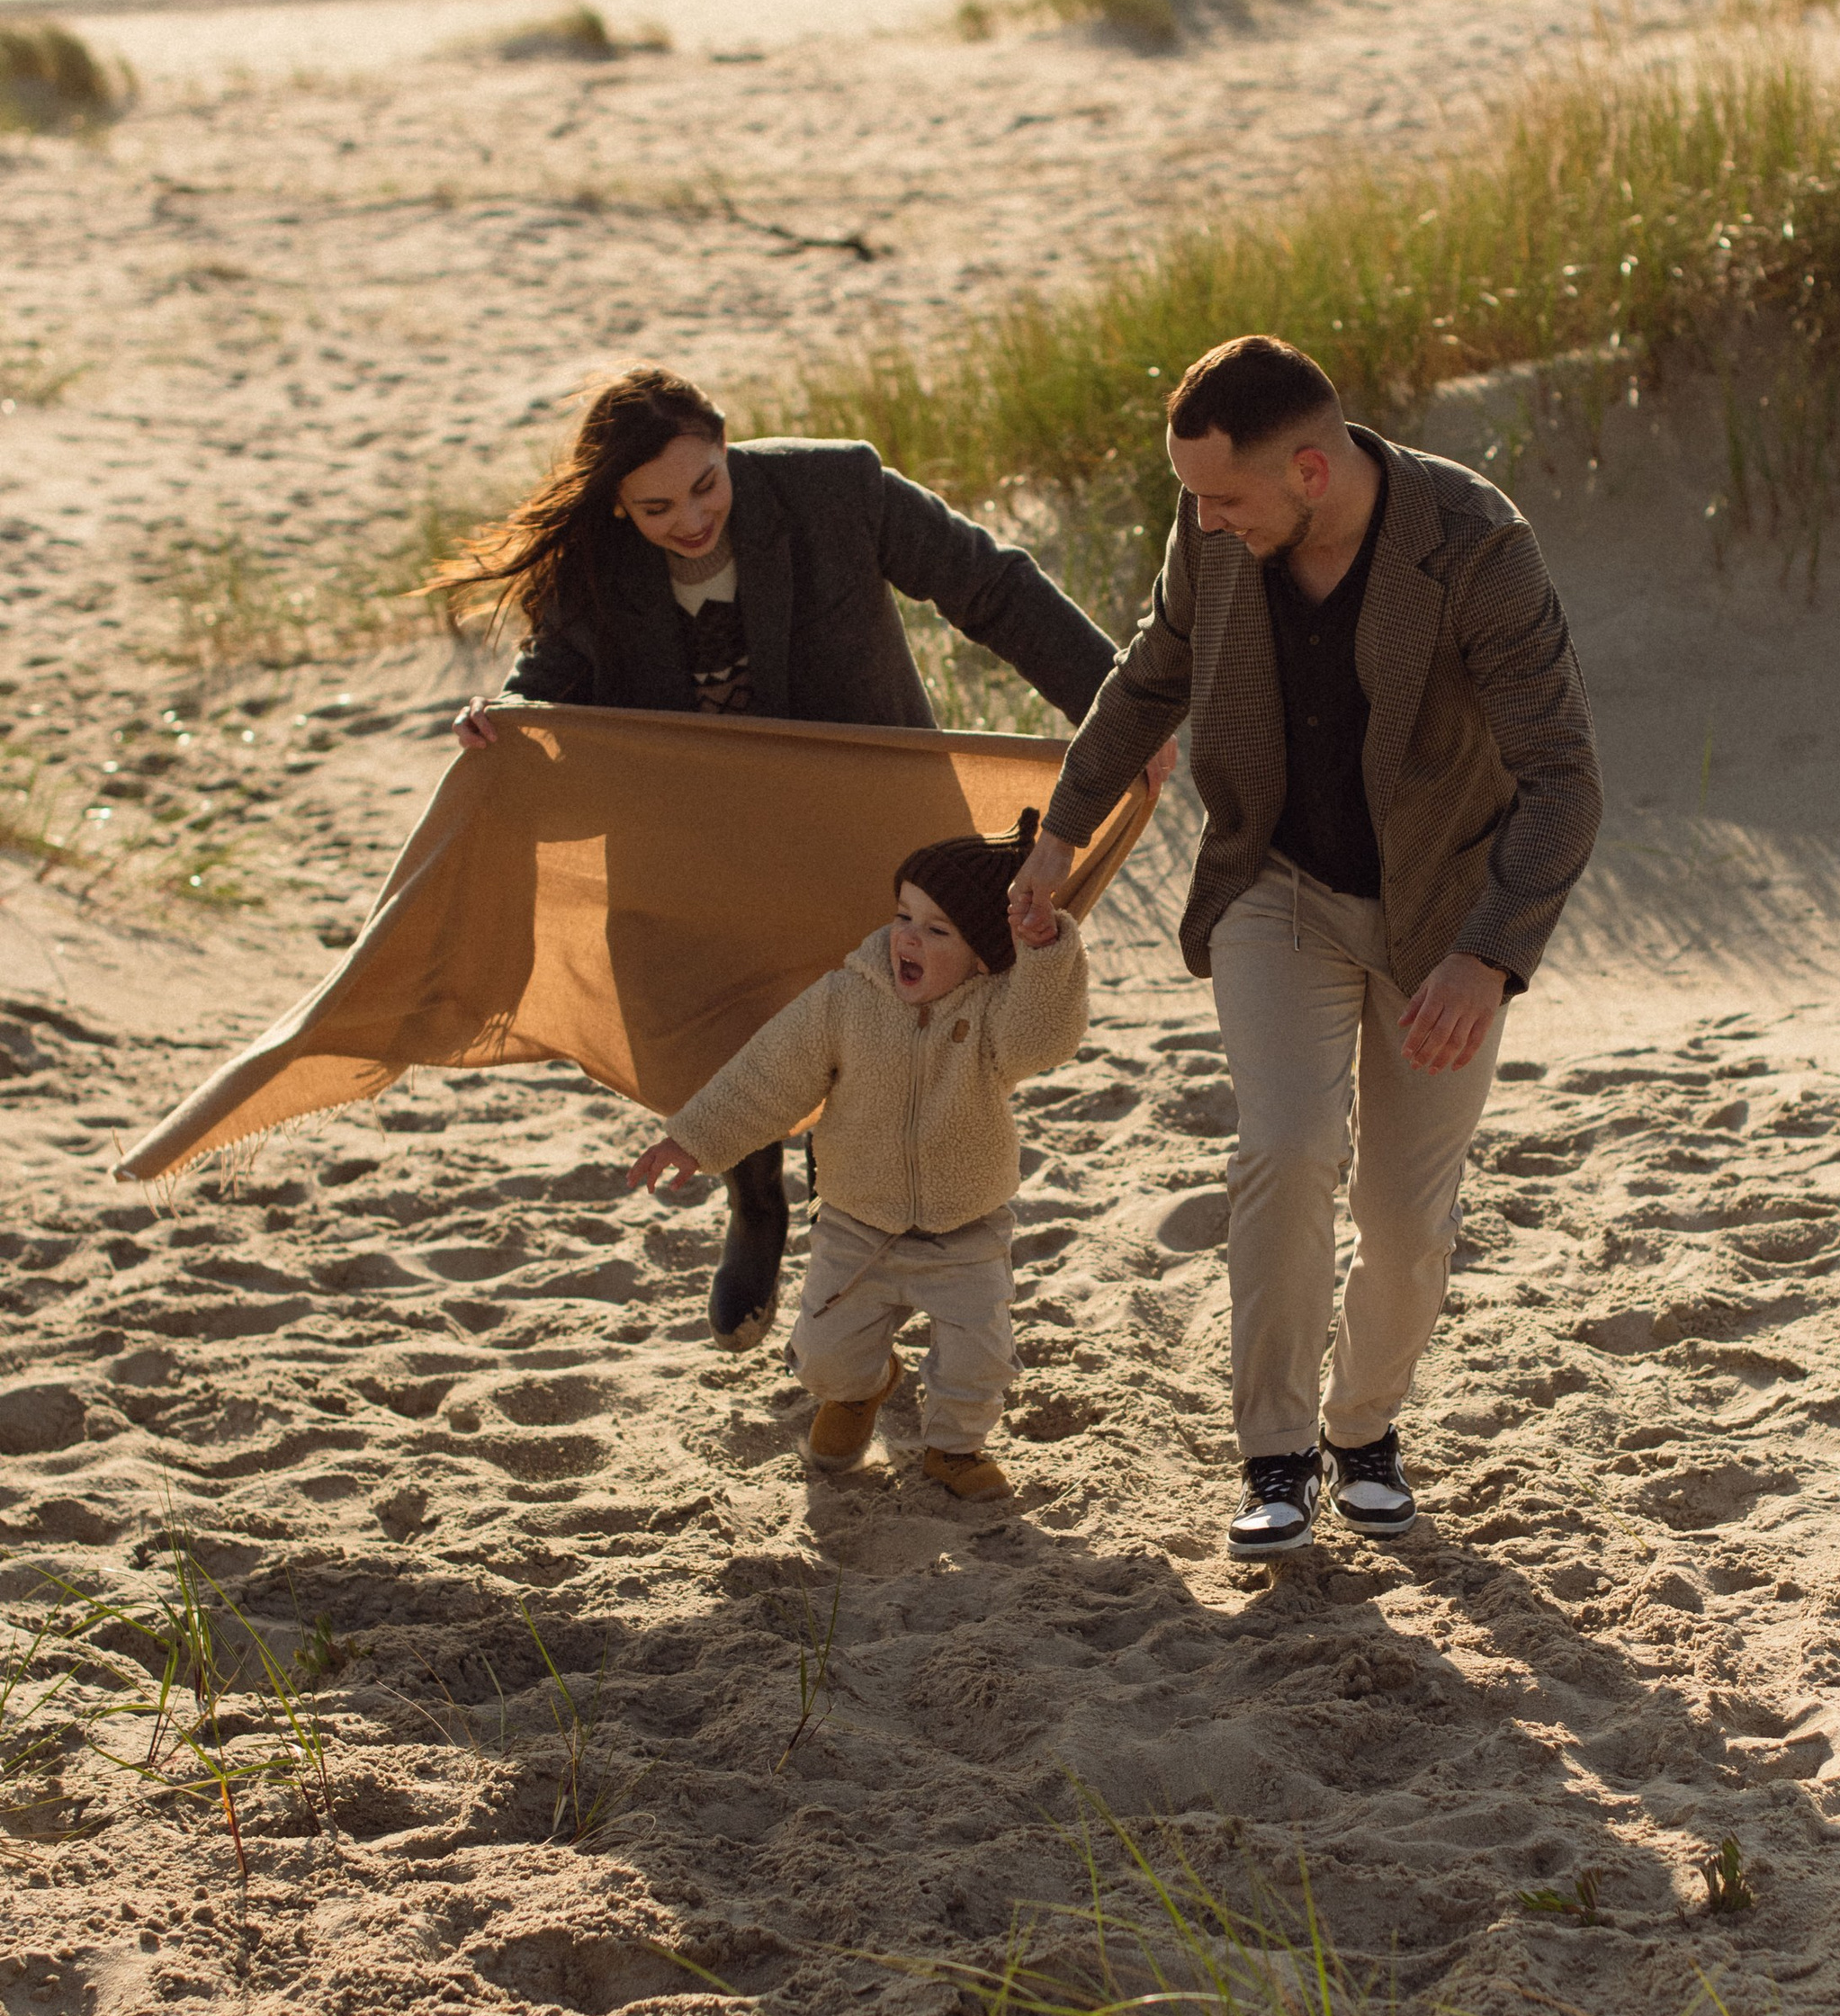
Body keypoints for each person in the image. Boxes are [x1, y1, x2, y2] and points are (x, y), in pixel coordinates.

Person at [1009, 335, 1601, 1561]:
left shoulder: (1476, 547)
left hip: (1442, 914)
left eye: (1226, 496)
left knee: (1407, 1219)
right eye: (1194, 497)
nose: (1205, 520)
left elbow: (1562, 780)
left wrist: (1484, 957)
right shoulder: (1218, 533)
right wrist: (1060, 834)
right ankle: (1275, 1454)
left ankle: (1364, 1428)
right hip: (1276, 885)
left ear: (1314, 471)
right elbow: (1153, 669)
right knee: (1284, 1146)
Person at [435, 362, 1151, 1352]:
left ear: (727, 445)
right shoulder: (594, 569)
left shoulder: (837, 490)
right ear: (615, 505)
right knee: (732, 1030)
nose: (689, 518)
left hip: (862, 818)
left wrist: (1114, 715)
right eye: (655, 507)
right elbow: (550, 683)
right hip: (696, 843)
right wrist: (502, 722)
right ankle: (757, 1204)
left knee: (884, 1016)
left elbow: (988, 586)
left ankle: (849, 1213)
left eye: (705, 485)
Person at [626, 811, 1085, 1502]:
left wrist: (1046, 953)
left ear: (984, 956)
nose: (908, 936)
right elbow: (768, 1075)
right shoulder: (847, 999)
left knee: (979, 1359)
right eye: (904, 915)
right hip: (857, 1222)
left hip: (966, 1230)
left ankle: (954, 1449)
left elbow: (1044, 1036)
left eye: (938, 931)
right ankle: (861, 1391)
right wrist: (693, 1137)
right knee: (826, 1353)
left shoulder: (994, 1013)